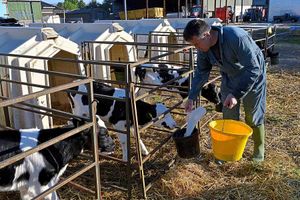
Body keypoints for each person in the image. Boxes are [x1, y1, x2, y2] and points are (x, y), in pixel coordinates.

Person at [183, 19, 266, 162]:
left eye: (196, 43)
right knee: (228, 115)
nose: (196, 47)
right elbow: (201, 73)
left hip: (252, 75)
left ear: (207, 34)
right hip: (229, 76)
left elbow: (254, 68)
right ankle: (228, 152)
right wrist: (191, 97)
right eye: (193, 45)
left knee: (252, 114)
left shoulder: (236, 37)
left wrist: (236, 94)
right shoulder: (204, 48)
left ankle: (259, 149)